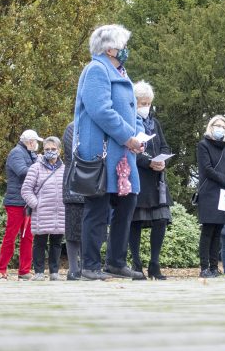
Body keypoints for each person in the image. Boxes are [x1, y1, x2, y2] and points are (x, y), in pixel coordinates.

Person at [76, 24, 144, 281]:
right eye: (123, 45)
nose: (126, 49)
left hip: (125, 154)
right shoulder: (96, 69)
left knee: (127, 204)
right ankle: (90, 266)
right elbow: (100, 110)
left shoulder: (122, 73)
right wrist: (128, 137)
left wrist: (138, 136)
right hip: (103, 154)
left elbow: (131, 110)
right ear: (109, 48)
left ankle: (116, 261)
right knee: (98, 208)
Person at [128, 81, 173, 280]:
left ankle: (155, 264)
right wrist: (148, 162)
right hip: (138, 178)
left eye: (148, 103)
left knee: (161, 219)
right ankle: (136, 264)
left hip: (156, 182)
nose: (146, 106)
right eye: (142, 103)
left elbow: (164, 147)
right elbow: (129, 151)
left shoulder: (155, 123)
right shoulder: (128, 121)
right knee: (135, 222)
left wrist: (162, 161)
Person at [0, 129, 41, 280]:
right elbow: (23, 172)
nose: (36, 145)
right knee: (11, 236)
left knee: (28, 237)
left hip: (27, 201)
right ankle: (1, 270)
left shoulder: (30, 154)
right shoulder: (16, 153)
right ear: (29, 142)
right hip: (15, 202)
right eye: (35, 142)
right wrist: (39, 165)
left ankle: (24, 271)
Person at [196, 115, 225, 278]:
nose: (220, 128)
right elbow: (207, 169)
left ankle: (214, 267)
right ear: (210, 126)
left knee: (218, 231)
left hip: (224, 194)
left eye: (223, 126)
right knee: (208, 231)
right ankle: (204, 267)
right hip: (209, 193)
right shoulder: (203, 145)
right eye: (217, 125)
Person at [22, 136, 66, 281]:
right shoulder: (36, 168)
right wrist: (37, 205)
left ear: (59, 150)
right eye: (47, 149)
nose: (50, 152)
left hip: (59, 213)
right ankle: (39, 272)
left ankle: (54, 272)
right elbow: (26, 189)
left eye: (53, 149)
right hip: (41, 213)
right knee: (39, 243)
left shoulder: (65, 168)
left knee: (56, 243)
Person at [62, 121, 84, 280]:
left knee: (88, 232)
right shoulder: (72, 127)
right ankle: (73, 269)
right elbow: (76, 152)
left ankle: (86, 267)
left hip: (92, 187)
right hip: (74, 186)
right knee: (73, 231)